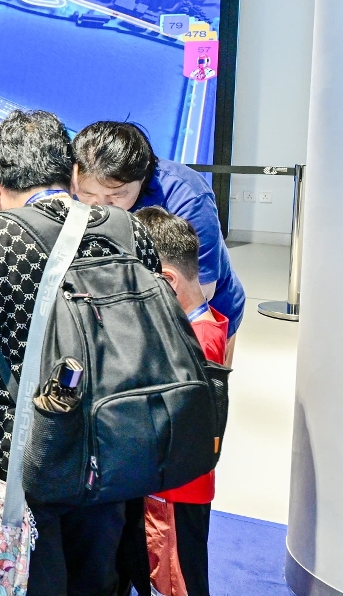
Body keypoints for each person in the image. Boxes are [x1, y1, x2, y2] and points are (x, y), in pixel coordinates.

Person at [0, 109, 164, 595]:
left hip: (27, 457)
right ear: (69, 171)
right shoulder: (127, 229)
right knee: (98, 575)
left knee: (35, 578)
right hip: (112, 448)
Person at [119, 206, 228, 596]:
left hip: (173, 493)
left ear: (166, 280)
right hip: (166, 486)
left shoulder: (195, 343)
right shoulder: (198, 329)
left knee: (178, 581)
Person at [70, 121, 246, 363]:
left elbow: (201, 288)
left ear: (143, 176)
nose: (99, 205)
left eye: (116, 195)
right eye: (87, 194)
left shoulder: (188, 196)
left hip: (194, 314)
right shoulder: (68, 185)